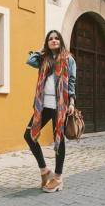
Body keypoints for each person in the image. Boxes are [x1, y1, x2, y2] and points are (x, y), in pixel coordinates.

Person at [24, 30, 76, 193]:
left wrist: (72, 101)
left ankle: (58, 178)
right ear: (47, 42)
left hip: (60, 105)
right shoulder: (43, 59)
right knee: (28, 135)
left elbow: (72, 81)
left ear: (61, 41)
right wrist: (42, 50)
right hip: (43, 104)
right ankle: (45, 170)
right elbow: (29, 60)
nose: (54, 41)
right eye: (50, 39)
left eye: (56, 38)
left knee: (58, 141)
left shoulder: (69, 59)